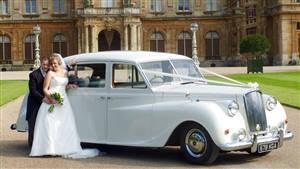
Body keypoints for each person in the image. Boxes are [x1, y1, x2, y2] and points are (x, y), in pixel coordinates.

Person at [30, 53, 100, 158]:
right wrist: (51, 98)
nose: (53, 66)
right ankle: (49, 149)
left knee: (64, 124)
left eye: (55, 63)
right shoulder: (50, 74)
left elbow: (63, 84)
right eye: (51, 64)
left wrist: (69, 85)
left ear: (59, 63)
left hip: (63, 101)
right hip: (51, 101)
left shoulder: (65, 72)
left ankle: (64, 147)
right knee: (50, 124)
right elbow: (45, 89)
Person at [26, 57, 51, 147]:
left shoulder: (50, 73)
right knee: (33, 125)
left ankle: (42, 145)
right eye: (44, 64)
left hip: (47, 103)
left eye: (47, 65)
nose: (45, 66)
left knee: (44, 125)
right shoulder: (33, 74)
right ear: (41, 64)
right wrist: (42, 98)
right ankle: (32, 146)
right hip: (35, 103)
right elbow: (33, 91)